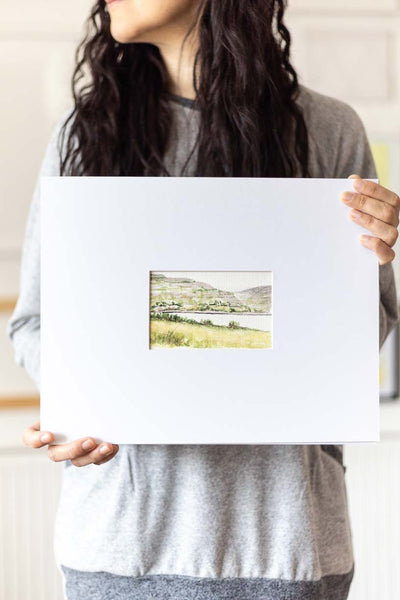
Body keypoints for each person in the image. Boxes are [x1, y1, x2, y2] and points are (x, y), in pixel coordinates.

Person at [7, 1, 400, 599]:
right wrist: (83, 397)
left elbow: (363, 332)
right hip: (120, 549)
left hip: (284, 546)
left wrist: (373, 256)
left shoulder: (328, 129)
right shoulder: (84, 133)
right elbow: (33, 321)